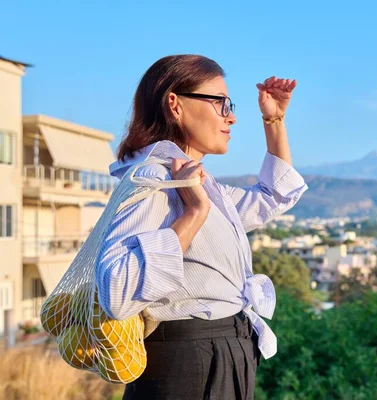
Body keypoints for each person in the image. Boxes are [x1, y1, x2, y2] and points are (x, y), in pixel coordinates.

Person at [95, 54, 308, 399]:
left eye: (231, 105)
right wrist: (194, 213)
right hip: (189, 362)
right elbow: (117, 291)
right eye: (220, 103)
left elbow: (273, 196)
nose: (232, 117)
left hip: (219, 354)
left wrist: (275, 121)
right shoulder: (155, 180)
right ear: (175, 105)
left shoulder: (194, 182)